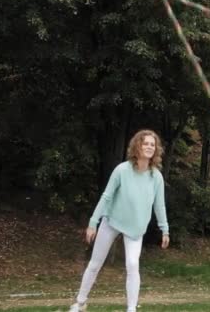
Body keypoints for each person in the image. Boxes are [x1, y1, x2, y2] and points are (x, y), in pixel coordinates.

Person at [69, 129, 170, 312]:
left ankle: (131, 309)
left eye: (152, 144)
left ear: (156, 150)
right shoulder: (121, 170)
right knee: (95, 263)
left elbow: (160, 206)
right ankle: (80, 302)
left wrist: (165, 229)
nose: (149, 147)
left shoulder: (156, 177)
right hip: (112, 221)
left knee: (132, 265)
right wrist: (93, 223)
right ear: (137, 146)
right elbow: (106, 197)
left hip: (136, 228)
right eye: (145, 143)